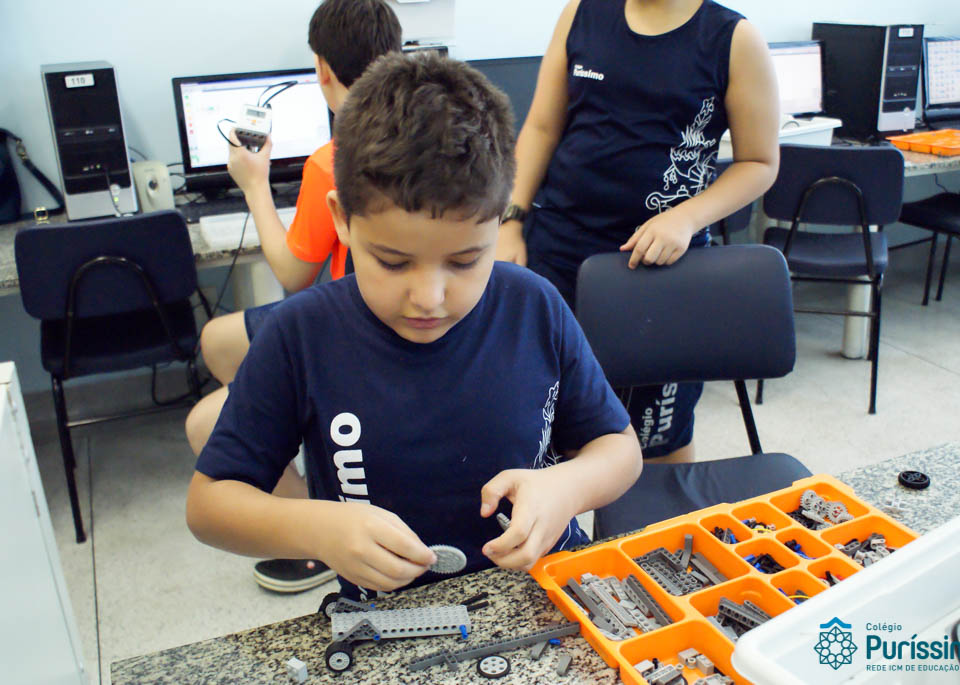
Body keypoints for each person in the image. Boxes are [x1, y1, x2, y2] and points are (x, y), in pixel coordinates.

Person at [185, 52, 643, 602]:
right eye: (394, 262)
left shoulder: (535, 306)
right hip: (388, 616)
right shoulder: (300, 336)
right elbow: (209, 505)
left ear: (499, 221)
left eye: (465, 261)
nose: (429, 298)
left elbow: (620, 449)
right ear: (341, 219)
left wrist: (566, 487)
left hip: (543, 591)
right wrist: (316, 527)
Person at [496, 0, 780, 465]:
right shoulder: (582, 13)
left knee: (657, 438)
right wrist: (510, 220)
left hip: (660, 266)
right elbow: (542, 128)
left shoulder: (733, 38)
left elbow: (760, 162)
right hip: (561, 252)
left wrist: (687, 217)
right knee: (547, 424)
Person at [183, 0, 402, 593]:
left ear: (322, 69)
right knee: (218, 340)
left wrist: (254, 183)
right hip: (349, 304)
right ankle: (294, 424)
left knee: (205, 425)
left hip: (353, 319)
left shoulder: (333, 160)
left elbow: (293, 273)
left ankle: (318, 534)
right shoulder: (403, 139)